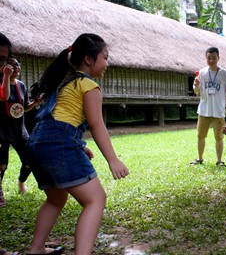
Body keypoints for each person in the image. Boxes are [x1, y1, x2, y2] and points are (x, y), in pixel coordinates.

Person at [26, 33, 129, 254]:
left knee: (55, 198)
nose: (107, 64)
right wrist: (113, 159)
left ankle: (36, 249)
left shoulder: (63, 82)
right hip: (58, 144)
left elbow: (58, 118)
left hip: (37, 143)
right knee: (96, 199)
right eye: (105, 57)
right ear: (89, 59)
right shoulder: (88, 85)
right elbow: (96, 124)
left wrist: (80, 145)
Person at [0, 57, 41, 202]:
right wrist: (5, 76)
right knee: (2, 164)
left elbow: (23, 108)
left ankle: (21, 181)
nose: (16, 67)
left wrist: (35, 103)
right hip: (2, 130)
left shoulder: (21, 85)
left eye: (18, 64)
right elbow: (4, 96)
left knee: (30, 160)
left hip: (19, 129)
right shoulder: (1, 83)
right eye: (12, 64)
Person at [191, 47, 226, 167]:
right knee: (200, 136)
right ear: (206, 58)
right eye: (209, 58)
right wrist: (196, 86)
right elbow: (197, 91)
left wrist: (225, 107)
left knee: (219, 137)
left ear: (218, 58)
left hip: (219, 111)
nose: (211, 60)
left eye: (214, 58)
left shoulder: (225, 74)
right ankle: (199, 158)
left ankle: (219, 160)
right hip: (204, 110)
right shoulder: (202, 73)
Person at [0, 33, 23, 207]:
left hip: (10, 126)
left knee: (3, 162)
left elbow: (4, 96)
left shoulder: (16, 84)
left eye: (3, 59)